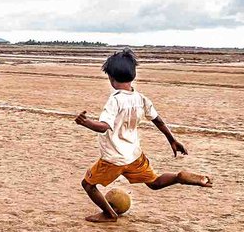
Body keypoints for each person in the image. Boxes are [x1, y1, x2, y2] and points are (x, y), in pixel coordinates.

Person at [75, 48, 211, 222]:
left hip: (113, 158)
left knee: (88, 184)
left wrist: (85, 122)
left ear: (111, 78)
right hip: (134, 155)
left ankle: (109, 214)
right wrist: (173, 140)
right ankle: (179, 177)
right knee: (154, 182)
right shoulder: (141, 99)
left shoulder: (115, 100)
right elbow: (158, 121)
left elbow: (103, 127)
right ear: (133, 75)